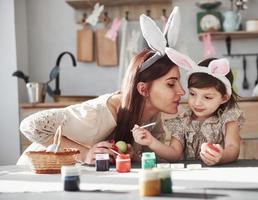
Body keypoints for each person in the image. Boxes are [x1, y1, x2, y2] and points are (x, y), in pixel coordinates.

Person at [18, 7, 184, 165]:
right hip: (37, 173)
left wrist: (133, 157)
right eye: (171, 84)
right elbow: (30, 126)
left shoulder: (152, 115)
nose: (182, 91)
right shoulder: (98, 114)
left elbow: (156, 161)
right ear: (143, 89)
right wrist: (85, 154)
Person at [132, 49, 245, 166]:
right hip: (190, 174)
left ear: (224, 98)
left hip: (220, 173)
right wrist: (151, 141)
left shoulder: (228, 118)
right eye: (192, 94)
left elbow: (233, 149)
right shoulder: (183, 120)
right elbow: (175, 154)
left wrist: (221, 156)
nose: (197, 102)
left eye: (207, 97)